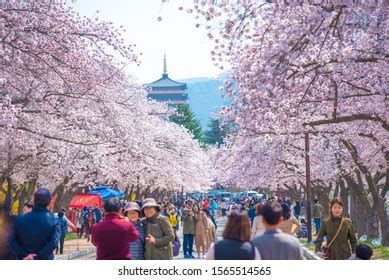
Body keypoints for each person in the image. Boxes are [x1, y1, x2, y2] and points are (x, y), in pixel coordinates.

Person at [10, 188, 61, 260]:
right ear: (50, 202)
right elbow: (54, 243)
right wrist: (37, 256)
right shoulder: (54, 221)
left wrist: (25, 254)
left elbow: (11, 240)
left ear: (33, 201)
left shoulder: (18, 219)